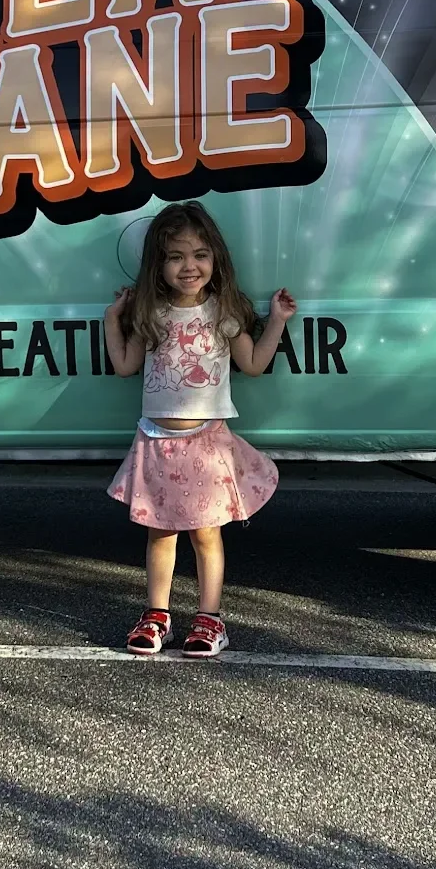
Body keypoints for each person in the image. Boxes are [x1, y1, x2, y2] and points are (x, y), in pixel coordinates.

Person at [103, 201, 297, 657]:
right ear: (159, 265)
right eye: (175, 257)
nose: (189, 266)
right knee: (160, 532)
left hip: (207, 442)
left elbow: (253, 364)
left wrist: (277, 322)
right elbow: (125, 365)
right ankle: (157, 616)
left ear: (215, 259)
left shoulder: (223, 312)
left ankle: (210, 620)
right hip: (156, 442)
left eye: (199, 255)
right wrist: (112, 320)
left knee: (207, 533)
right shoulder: (151, 313)